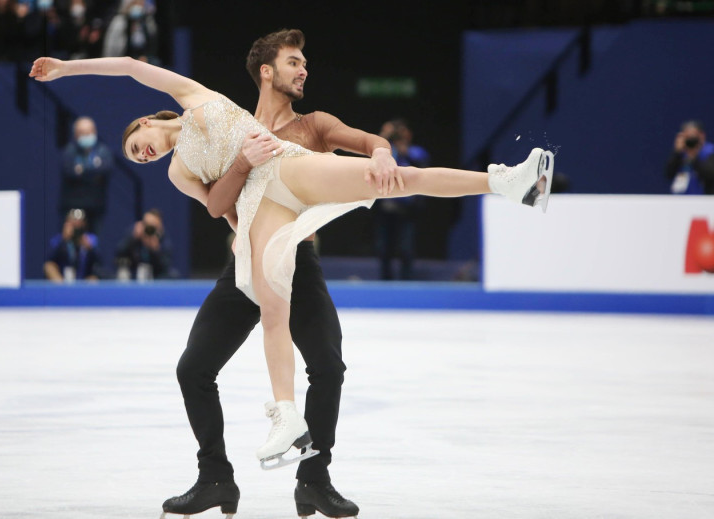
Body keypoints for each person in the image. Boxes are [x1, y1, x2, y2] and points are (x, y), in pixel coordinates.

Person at [29, 52, 550, 491]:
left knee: (392, 178)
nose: (140, 156)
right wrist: (247, 219)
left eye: (134, 145)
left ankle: (506, 182)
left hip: (285, 165)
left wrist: (67, 69)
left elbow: (128, 66)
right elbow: (217, 207)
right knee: (271, 302)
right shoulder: (176, 170)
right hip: (256, 209)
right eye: (135, 160)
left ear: (145, 122)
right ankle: (287, 416)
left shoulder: (191, 94)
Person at [162, 29, 397, 518]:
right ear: (266, 71)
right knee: (193, 369)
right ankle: (215, 479)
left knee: (328, 367)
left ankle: (314, 480)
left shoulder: (314, 125)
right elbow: (217, 206)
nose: (303, 69)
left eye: (304, 62)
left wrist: (380, 152)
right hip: (244, 268)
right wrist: (242, 164)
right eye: (294, 61)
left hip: (298, 264)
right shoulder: (233, 130)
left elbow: (370, 140)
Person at [375, 119, 430, 280]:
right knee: (383, 247)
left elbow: (421, 163)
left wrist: (403, 149)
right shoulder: (387, 153)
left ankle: (407, 280)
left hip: (407, 210)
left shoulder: (416, 152)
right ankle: (385, 281)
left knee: (406, 247)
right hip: (386, 207)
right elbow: (371, 156)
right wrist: (383, 137)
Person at [59, 116, 114, 235]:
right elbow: (69, 172)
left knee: (91, 244)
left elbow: (105, 170)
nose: (86, 135)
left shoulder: (104, 152)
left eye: (88, 132)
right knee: (68, 240)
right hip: (71, 206)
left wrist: (81, 170)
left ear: (94, 132)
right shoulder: (68, 152)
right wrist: (94, 173)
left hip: (96, 207)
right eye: (82, 133)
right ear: (75, 135)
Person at [115, 208, 176, 280]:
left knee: (173, 275)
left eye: (152, 226)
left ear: (160, 227)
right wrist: (133, 238)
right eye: (146, 224)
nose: (148, 229)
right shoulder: (134, 234)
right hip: (134, 273)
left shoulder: (164, 240)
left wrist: (155, 250)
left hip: (156, 276)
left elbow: (166, 265)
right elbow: (119, 253)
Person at [44, 208, 102, 282]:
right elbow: (50, 259)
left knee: (94, 280)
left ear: (84, 224)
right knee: (49, 267)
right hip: (63, 278)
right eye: (73, 223)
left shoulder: (91, 239)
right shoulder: (59, 239)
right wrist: (64, 240)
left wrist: (89, 248)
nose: (76, 227)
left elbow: (100, 262)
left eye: (79, 223)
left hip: (84, 279)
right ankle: (61, 290)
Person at [666, 120, 714, 195]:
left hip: (705, 201)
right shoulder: (681, 154)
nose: (691, 140)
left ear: (702, 136)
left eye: (693, 136)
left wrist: (694, 157)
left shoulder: (710, 152)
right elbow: (668, 174)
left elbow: (709, 175)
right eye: (688, 137)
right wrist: (676, 153)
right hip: (683, 201)